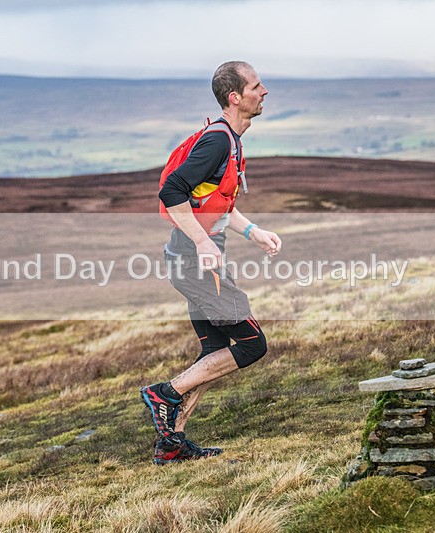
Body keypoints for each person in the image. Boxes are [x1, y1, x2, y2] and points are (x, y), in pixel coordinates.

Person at [141, 61, 282, 464]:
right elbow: (171, 190)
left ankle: (172, 445)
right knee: (252, 344)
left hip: (193, 257)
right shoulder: (218, 141)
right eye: (256, 86)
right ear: (235, 97)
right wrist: (203, 243)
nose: (264, 91)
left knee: (215, 350)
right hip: (194, 261)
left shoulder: (231, 140)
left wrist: (253, 231)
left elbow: (216, 204)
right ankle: (163, 393)